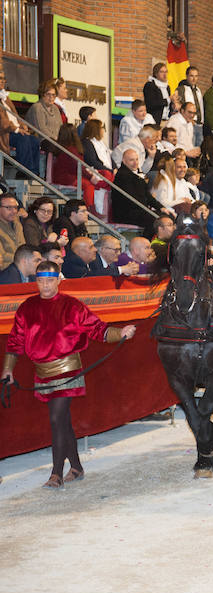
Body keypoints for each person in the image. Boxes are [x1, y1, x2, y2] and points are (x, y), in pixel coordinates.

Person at [2, 260, 137, 489]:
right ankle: (76, 466)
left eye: (50, 281)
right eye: (41, 281)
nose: (45, 286)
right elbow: (15, 342)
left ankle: (56, 474)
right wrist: (7, 369)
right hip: (42, 373)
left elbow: (98, 329)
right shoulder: (27, 307)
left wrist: (120, 332)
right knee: (63, 422)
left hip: (68, 371)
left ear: (58, 280)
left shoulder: (72, 305)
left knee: (56, 420)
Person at [110, 148, 172, 232]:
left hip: (139, 211)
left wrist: (161, 207)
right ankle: (149, 241)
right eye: (131, 160)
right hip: (127, 213)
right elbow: (132, 199)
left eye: (136, 159)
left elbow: (147, 195)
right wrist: (148, 210)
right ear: (124, 161)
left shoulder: (136, 174)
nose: (135, 163)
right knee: (156, 220)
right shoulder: (122, 176)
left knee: (168, 215)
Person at [0, 192, 24, 269]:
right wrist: (24, 258)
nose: (14, 211)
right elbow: (2, 256)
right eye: (9, 208)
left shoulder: (17, 224)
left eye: (15, 208)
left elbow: (23, 246)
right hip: (5, 270)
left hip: (21, 266)